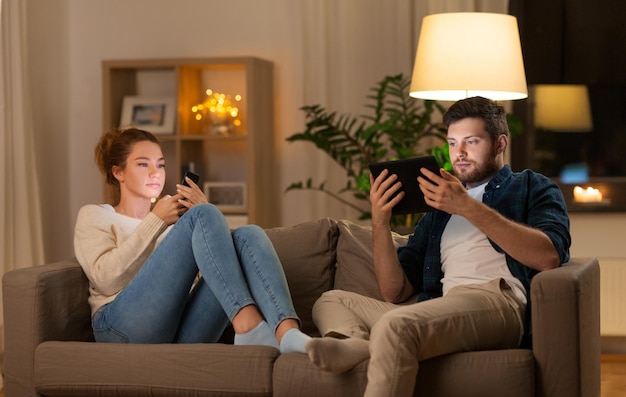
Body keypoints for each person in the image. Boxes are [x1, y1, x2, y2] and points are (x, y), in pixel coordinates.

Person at [302, 96, 571, 396]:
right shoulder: (439, 210)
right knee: (330, 300)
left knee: (396, 326)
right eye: (453, 143)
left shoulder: (532, 186)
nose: (460, 153)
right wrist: (380, 220)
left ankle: (378, 341)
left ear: (500, 144)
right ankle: (358, 344)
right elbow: (394, 291)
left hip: (499, 300)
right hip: (443, 304)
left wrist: (467, 206)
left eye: (471, 141)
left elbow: (548, 256)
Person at [74, 127, 310, 353]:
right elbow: (104, 279)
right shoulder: (96, 215)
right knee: (204, 214)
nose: (155, 172)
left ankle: (287, 332)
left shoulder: (175, 224)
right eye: (143, 164)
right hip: (120, 328)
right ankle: (248, 325)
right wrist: (157, 221)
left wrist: (205, 214)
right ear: (118, 172)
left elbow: (216, 279)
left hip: (178, 331)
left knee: (247, 234)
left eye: (161, 164)